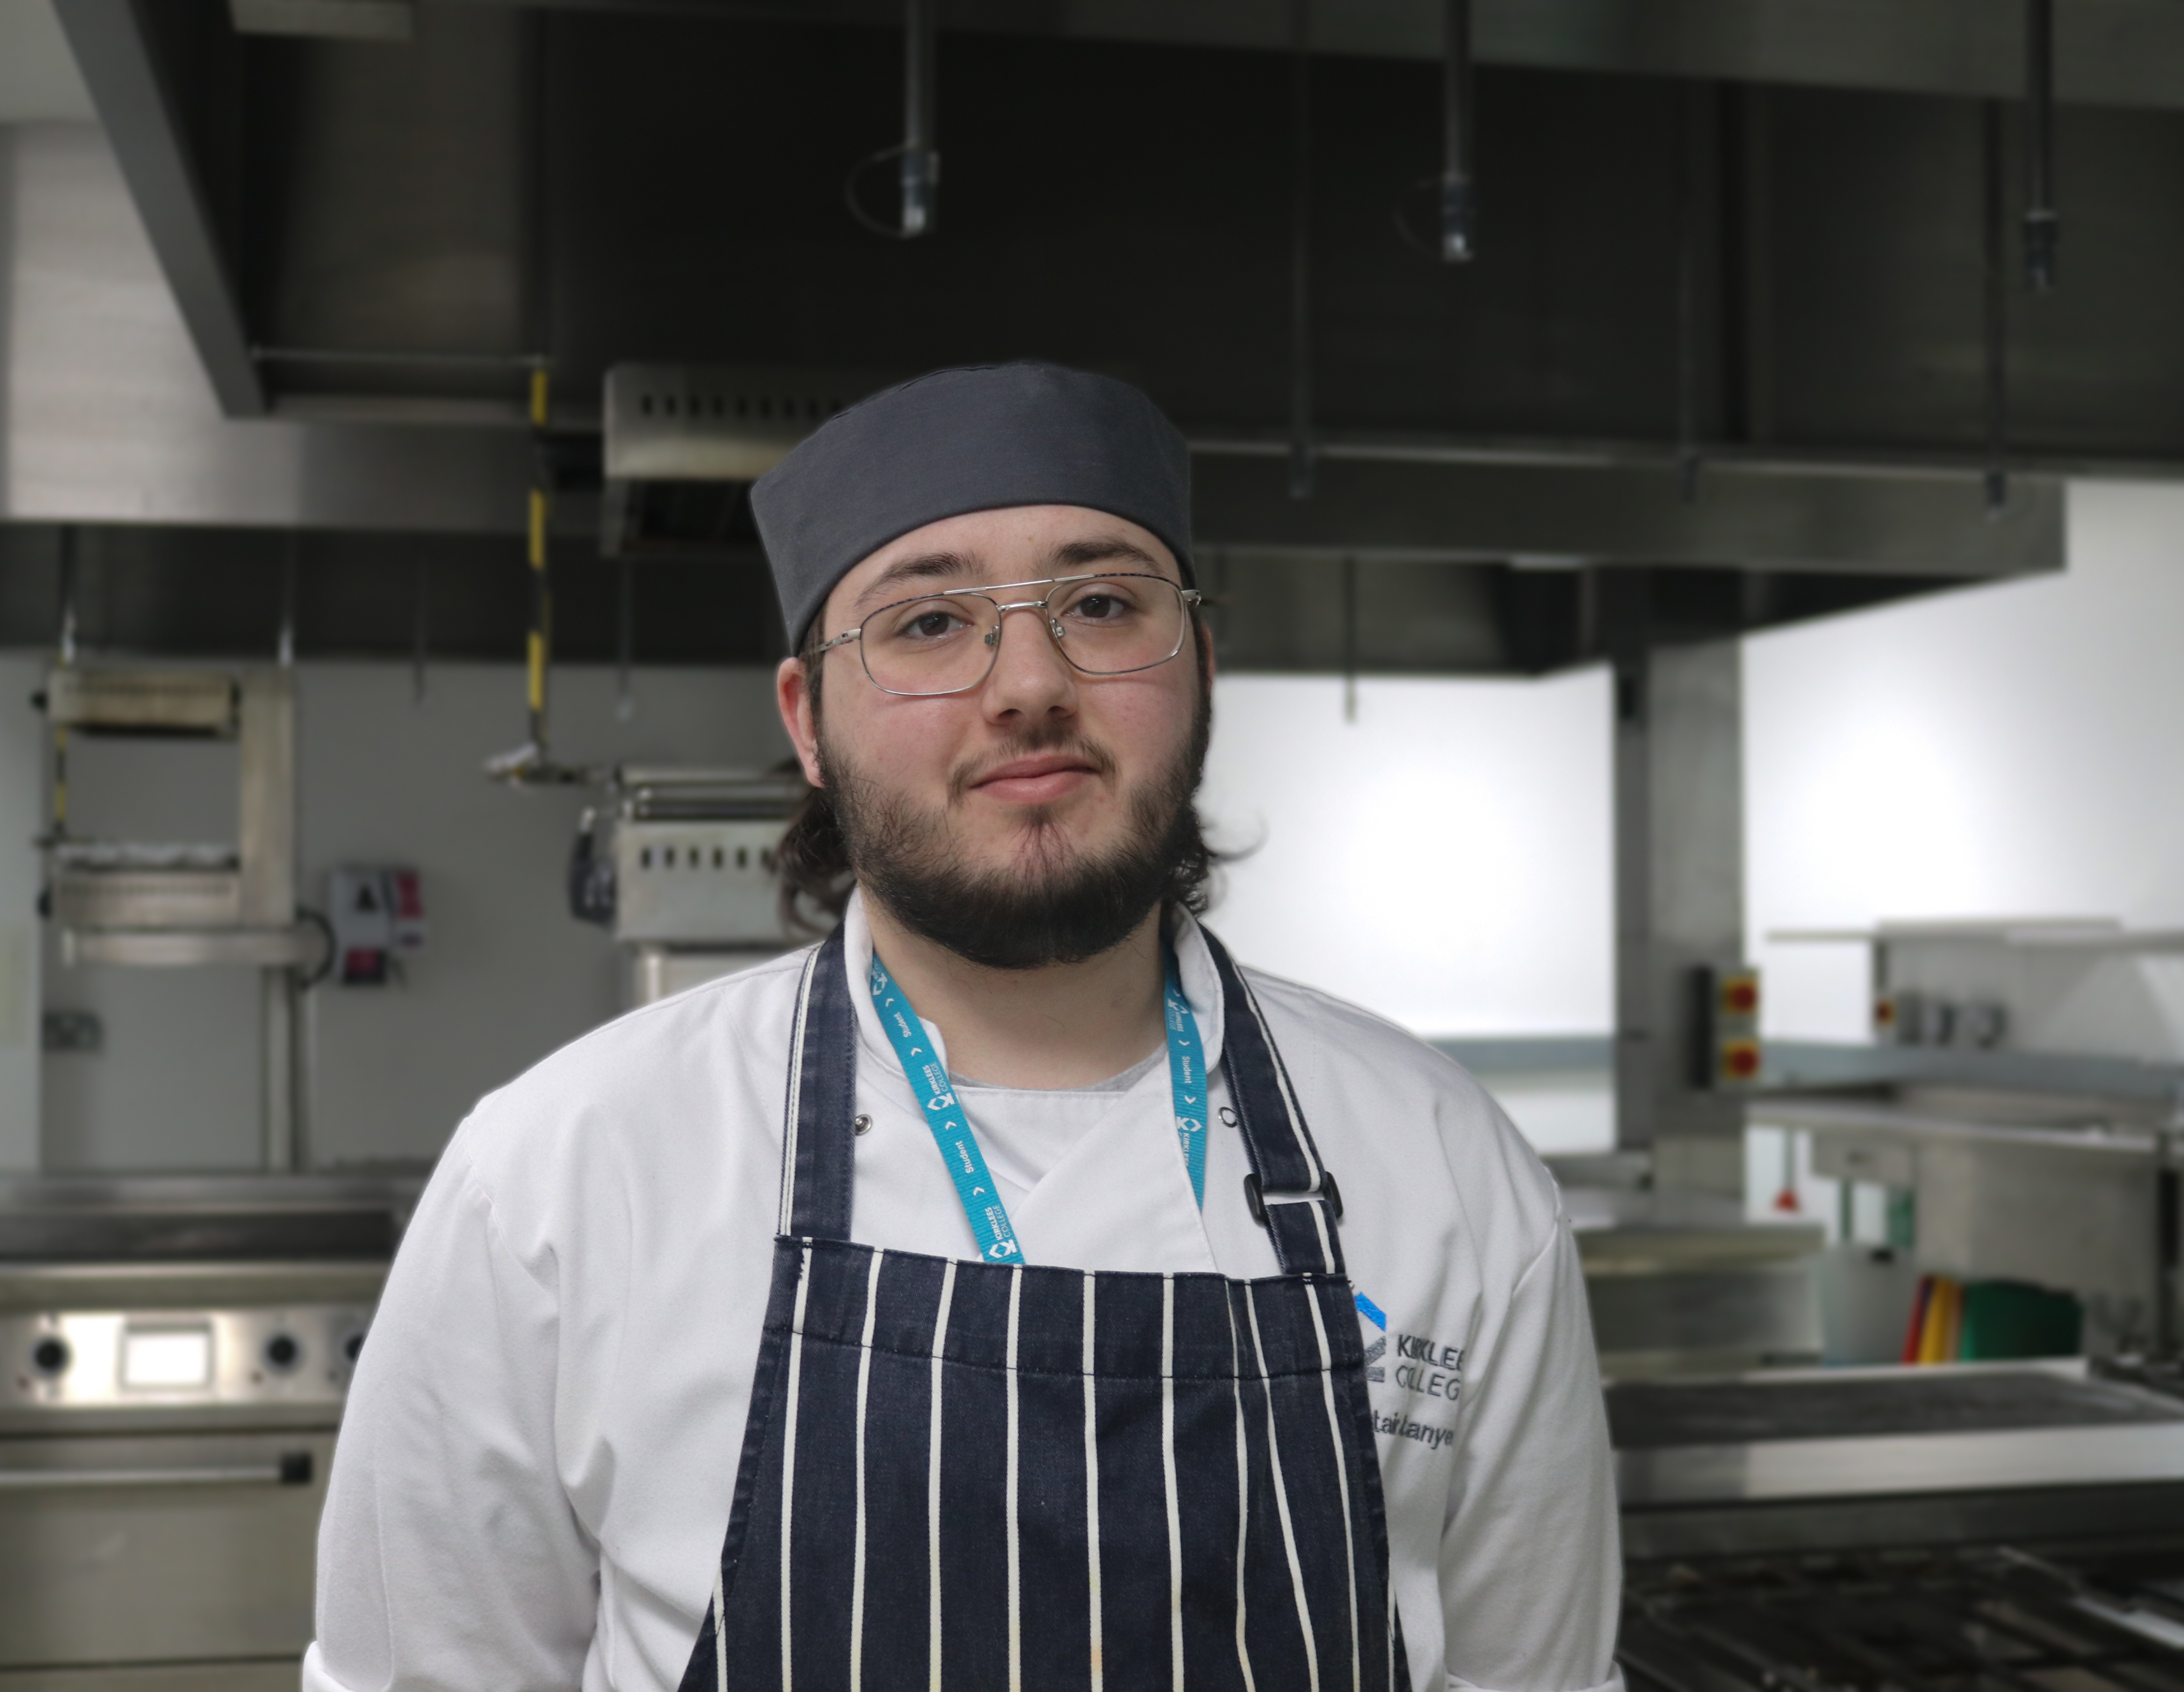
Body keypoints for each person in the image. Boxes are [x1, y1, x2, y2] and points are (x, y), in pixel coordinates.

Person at [305, 362, 1621, 1692]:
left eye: (1102, 603)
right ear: (807, 718)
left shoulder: (1448, 1169)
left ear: (1202, 667)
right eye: (929, 621)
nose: (1028, 683)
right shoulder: (563, 1171)